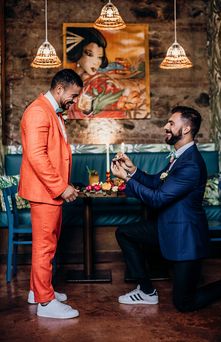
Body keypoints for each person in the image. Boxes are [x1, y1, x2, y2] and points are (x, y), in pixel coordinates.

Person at [111, 106, 221, 312]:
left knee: (184, 303)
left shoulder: (191, 164)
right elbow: (156, 183)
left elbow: (158, 199)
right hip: (166, 227)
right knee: (125, 233)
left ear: (186, 129)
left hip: (185, 237)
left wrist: (126, 179)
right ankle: (146, 290)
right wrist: (133, 171)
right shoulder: (178, 156)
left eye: (171, 123)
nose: (165, 127)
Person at [18, 69, 83, 319]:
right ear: (59, 90)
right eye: (73, 96)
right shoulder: (38, 111)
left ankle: (37, 291)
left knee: (48, 244)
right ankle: (46, 303)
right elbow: (36, 156)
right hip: (46, 191)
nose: (74, 101)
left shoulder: (51, 110)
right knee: (45, 247)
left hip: (49, 191)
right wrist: (61, 187)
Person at [66, 27, 142, 119]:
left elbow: (115, 115)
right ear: (77, 52)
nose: (96, 62)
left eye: (100, 57)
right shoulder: (68, 81)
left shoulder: (103, 83)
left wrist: (87, 111)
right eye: (90, 54)